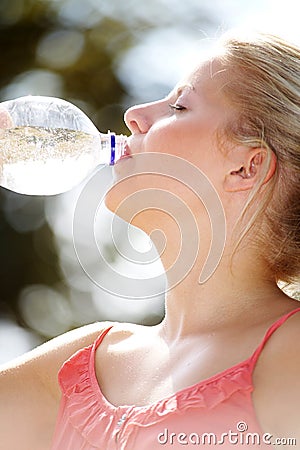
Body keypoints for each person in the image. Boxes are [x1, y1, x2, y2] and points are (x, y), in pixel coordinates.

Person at [0, 29, 300, 450]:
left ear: (245, 169)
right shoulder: (77, 368)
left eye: (178, 105)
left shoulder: (291, 358)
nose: (134, 115)